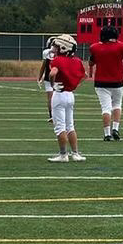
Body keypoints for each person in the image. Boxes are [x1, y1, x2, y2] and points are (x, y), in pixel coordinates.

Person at [47, 33, 86, 163]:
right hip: (70, 94)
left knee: (60, 127)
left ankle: (63, 155)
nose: (55, 48)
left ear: (64, 48)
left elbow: (53, 73)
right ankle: (75, 153)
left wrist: (53, 84)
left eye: (57, 46)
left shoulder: (58, 60)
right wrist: (74, 85)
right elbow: (85, 76)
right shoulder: (76, 61)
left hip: (59, 94)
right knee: (70, 126)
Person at [88, 25, 123, 141]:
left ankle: (107, 134)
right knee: (117, 105)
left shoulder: (95, 47)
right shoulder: (122, 47)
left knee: (106, 108)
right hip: (117, 82)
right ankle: (115, 128)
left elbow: (91, 63)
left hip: (101, 83)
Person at [37, 36, 57, 121]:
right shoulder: (60, 53)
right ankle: (54, 116)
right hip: (56, 77)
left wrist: (39, 77)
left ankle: (52, 116)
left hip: (49, 77)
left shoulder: (46, 52)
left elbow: (43, 66)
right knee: (55, 97)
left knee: (50, 98)